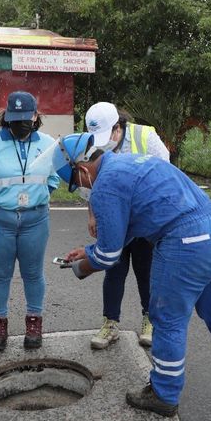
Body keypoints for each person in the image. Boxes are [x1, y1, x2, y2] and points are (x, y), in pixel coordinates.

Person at [55, 133, 211, 417]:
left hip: (185, 241)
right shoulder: (131, 163)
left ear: (81, 169)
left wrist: (82, 266)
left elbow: (110, 255)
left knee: (167, 318)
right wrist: (89, 251)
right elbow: (126, 231)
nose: (79, 189)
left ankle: (163, 394)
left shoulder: (105, 188)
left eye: (74, 184)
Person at [0, 91, 60, 351]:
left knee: (33, 274)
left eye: (25, 118)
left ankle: (34, 322)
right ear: (6, 116)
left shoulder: (47, 143)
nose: (20, 123)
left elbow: (54, 177)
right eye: (14, 118)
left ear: (35, 116)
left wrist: (38, 195)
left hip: (35, 220)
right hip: (0, 220)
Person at [84, 102, 170, 349]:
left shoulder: (146, 138)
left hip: (144, 221)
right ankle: (110, 323)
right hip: (113, 220)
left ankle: (150, 320)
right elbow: (91, 182)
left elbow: (164, 176)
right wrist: (92, 215)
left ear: (118, 127)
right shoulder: (95, 142)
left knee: (147, 272)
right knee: (113, 271)